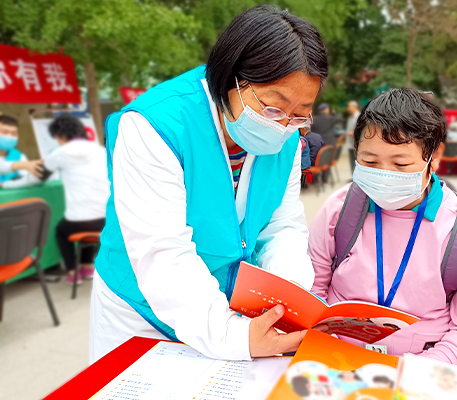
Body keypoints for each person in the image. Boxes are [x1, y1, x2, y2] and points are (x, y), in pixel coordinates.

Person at [90, 6, 328, 364]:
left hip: (230, 307)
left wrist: (287, 292)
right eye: (272, 108)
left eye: (299, 113)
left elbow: (281, 225)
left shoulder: (289, 138)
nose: (283, 126)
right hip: (140, 311)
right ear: (230, 78)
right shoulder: (154, 126)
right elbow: (163, 254)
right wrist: (232, 335)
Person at [309, 88, 457, 370]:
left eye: (401, 164)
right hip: (334, 360)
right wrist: (325, 348)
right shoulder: (339, 210)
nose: (384, 175)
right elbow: (311, 292)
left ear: (434, 157)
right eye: (369, 162)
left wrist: (409, 373)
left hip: (423, 371)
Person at [41, 115, 110, 284]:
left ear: (60, 135)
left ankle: (73, 273)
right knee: (89, 225)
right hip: (106, 219)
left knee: (62, 230)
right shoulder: (101, 151)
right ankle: (88, 267)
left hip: (79, 222)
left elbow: (39, 176)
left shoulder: (59, 153)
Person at [0, 115, 43, 188]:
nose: (9, 136)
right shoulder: (23, 163)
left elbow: (26, 179)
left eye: (14, 133)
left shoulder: (19, 156)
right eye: (5, 132)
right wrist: (25, 165)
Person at [346, 100, 361, 173]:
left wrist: (353, 132)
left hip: (356, 145)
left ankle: (357, 176)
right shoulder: (350, 117)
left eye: (349, 107)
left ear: (354, 107)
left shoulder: (359, 117)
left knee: (356, 162)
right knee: (351, 162)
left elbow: (362, 129)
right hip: (350, 144)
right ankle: (353, 176)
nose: (348, 108)